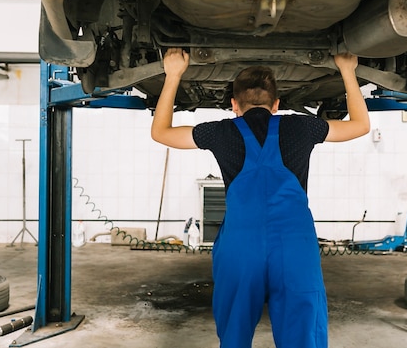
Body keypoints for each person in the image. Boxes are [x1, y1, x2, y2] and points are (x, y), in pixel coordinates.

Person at [151, 48, 370, 348]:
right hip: (295, 249)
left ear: (234, 104)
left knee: (235, 338)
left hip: (240, 249)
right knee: (303, 339)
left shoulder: (220, 132)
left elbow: (161, 132)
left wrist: (173, 74)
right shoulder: (301, 127)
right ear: (276, 104)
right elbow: (361, 125)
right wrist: (347, 70)